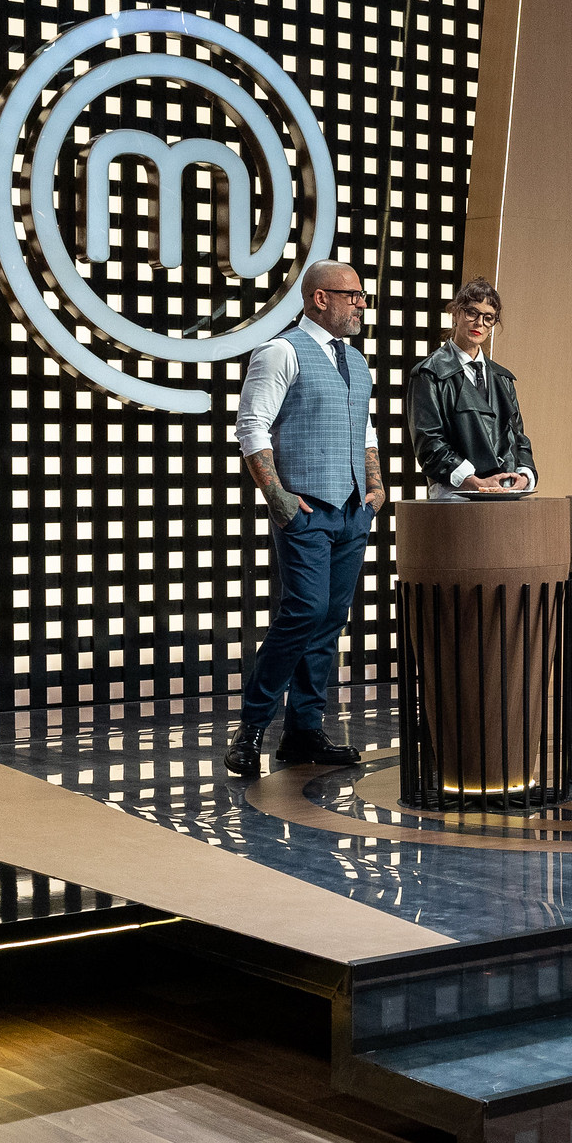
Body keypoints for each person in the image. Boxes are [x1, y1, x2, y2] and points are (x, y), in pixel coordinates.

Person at [224, 260, 383, 777]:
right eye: (353, 295)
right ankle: (251, 728)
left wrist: (376, 485)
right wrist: (279, 498)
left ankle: (303, 731)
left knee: (330, 619)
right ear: (320, 298)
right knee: (304, 612)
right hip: (306, 510)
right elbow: (252, 426)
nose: (361, 303)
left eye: (362, 295)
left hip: (353, 510)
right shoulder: (281, 351)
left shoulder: (356, 360)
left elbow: (364, 430)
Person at [409, 278, 537, 500]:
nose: (479, 323)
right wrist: (474, 481)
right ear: (455, 313)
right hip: (456, 495)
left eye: (488, 318)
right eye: (472, 313)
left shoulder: (503, 378)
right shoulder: (429, 374)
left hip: (505, 494)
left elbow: (519, 438)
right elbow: (430, 444)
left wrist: (525, 475)